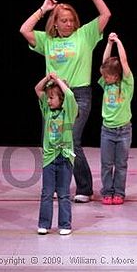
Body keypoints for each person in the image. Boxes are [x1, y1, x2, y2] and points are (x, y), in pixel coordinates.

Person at [20, 0, 111, 203]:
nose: (69, 24)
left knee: (71, 139)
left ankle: (84, 188)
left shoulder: (84, 35)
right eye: (64, 20)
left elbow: (106, 15)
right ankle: (53, 185)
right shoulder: (47, 40)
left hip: (78, 94)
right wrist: (43, 9)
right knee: (50, 141)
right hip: (52, 96)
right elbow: (24, 29)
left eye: (71, 20)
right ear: (56, 23)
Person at [35, 73, 78, 235]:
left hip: (65, 157)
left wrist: (59, 81)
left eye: (52, 97)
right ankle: (44, 224)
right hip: (49, 158)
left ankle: (65, 225)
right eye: (48, 98)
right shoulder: (47, 110)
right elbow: (37, 89)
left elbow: (70, 95)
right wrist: (47, 79)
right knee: (46, 193)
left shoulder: (69, 112)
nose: (48, 100)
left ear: (61, 98)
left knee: (64, 193)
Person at [98, 32, 134, 205]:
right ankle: (107, 192)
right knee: (106, 164)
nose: (104, 78)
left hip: (124, 131)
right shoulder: (106, 84)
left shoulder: (127, 84)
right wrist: (109, 43)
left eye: (107, 75)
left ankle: (119, 192)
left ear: (116, 75)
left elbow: (124, 62)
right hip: (107, 130)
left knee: (121, 165)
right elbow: (104, 62)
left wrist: (119, 42)